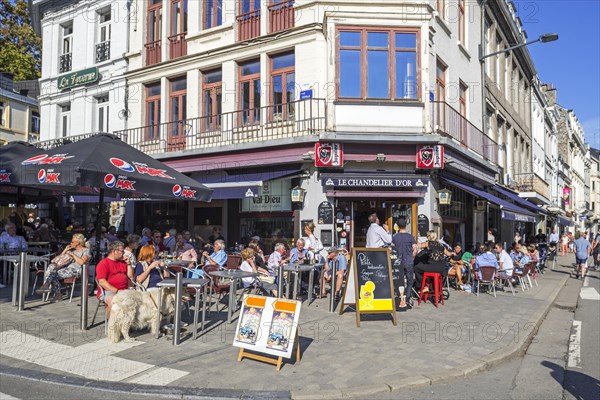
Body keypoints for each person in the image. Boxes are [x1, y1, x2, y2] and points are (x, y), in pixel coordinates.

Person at [36, 233, 90, 301]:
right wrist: (65, 250)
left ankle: (51, 289)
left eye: (72, 242)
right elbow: (58, 260)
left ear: (78, 243)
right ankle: (50, 288)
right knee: (51, 270)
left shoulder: (85, 250)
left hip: (76, 270)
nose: (71, 243)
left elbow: (82, 262)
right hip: (66, 269)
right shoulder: (72, 250)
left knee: (51, 274)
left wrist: (72, 255)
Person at [96, 241, 130, 318]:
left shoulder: (122, 262)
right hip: (108, 291)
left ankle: (128, 323)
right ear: (115, 251)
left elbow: (130, 277)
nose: (123, 253)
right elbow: (102, 282)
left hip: (125, 290)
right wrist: (117, 291)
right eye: (122, 251)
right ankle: (112, 324)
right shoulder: (104, 263)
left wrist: (129, 263)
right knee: (113, 302)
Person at [392, 218, 417, 305]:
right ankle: (407, 298)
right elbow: (415, 249)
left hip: (398, 262)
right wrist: (412, 256)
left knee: (399, 281)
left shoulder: (395, 237)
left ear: (398, 226)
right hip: (408, 261)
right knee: (410, 281)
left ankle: (399, 298)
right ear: (405, 226)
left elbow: (392, 249)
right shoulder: (410, 237)